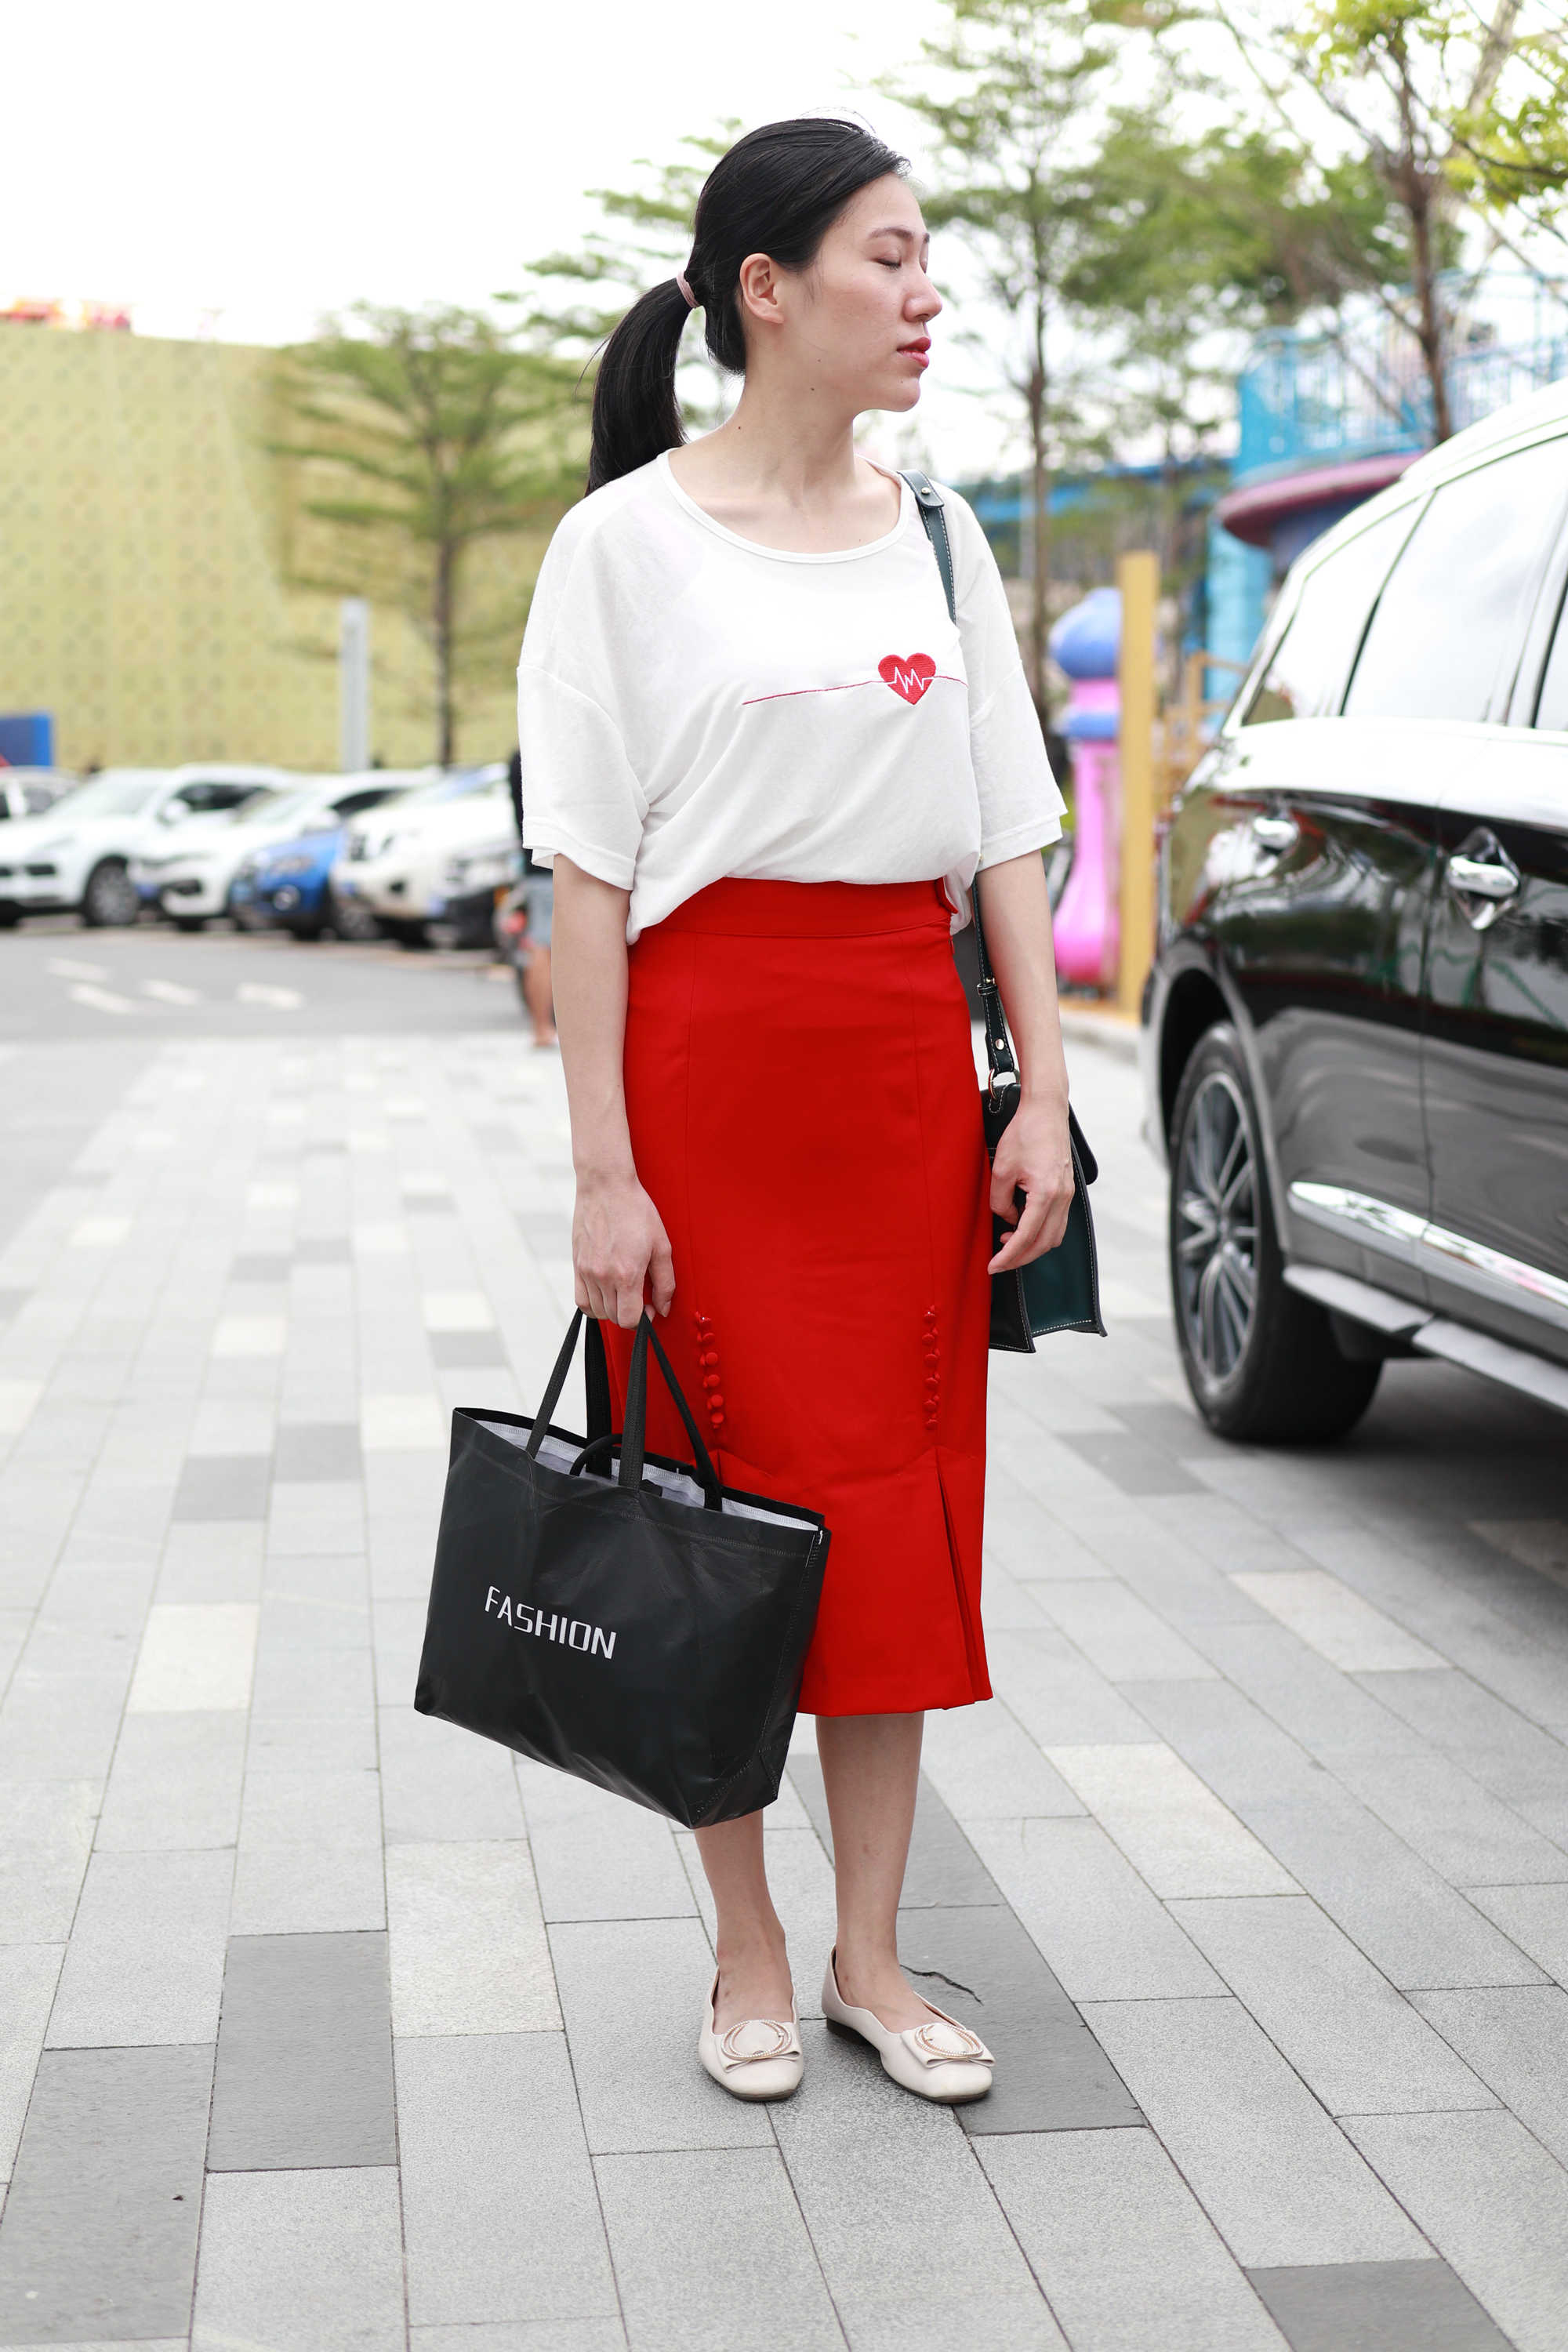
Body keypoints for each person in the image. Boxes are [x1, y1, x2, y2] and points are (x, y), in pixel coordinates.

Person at [517, 117, 1072, 2106]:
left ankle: (869, 1954)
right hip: (706, 1085)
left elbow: (1006, 834)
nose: (925, 295)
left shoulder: (941, 536)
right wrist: (604, 1172)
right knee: (719, 1521)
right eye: (886, 257)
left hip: (903, 1089)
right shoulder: (620, 547)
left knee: (892, 1520)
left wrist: (1043, 1100)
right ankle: (746, 1944)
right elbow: (585, 882)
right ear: (765, 290)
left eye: (928, 258)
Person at [505, 747, 557, 1048]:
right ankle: (542, 1029)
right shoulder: (546, 752)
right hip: (557, 862)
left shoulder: (520, 755)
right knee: (546, 946)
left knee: (541, 945)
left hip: (534, 863)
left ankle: (541, 1027)